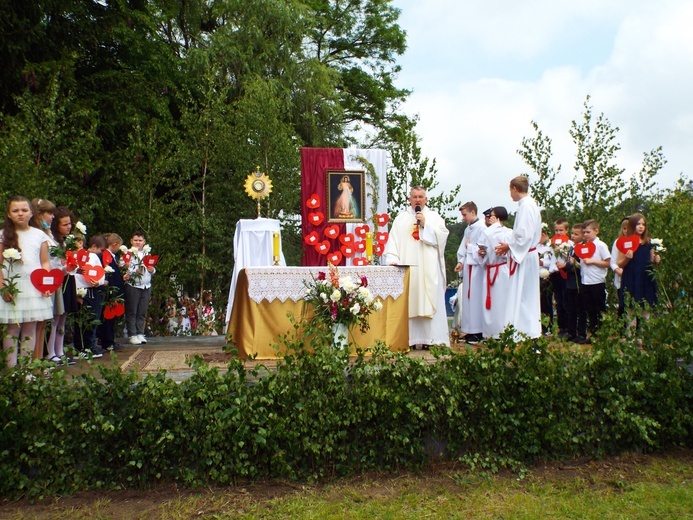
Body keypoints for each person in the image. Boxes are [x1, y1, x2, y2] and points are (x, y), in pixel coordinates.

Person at [383, 186, 450, 348]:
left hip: (429, 269)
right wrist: (392, 258)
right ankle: (411, 340)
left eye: (421, 196)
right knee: (410, 300)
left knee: (430, 298)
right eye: (414, 197)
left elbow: (442, 237)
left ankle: (432, 340)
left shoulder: (434, 217)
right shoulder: (401, 219)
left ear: (426, 199)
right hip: (409, 269)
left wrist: (426, 226)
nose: (418, 199)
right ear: (409, 199)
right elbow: (393, 242)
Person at [0, 196, 53, 368]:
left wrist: (46, 285)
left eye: (24, 210)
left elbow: (45, 262)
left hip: (33, 287)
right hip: (12, 288)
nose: (20, 214)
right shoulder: (3, 235)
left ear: (31, 213)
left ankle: (27, 370)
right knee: (12, 329)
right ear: (8, 214)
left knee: (30, 329)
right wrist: (2, 287)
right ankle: (11, 370)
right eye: (15, 211)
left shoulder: (39, 235)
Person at [495, 176, 542, 339]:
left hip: (525, 255)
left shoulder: (527, 206)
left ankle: (526, 333)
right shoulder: (528, 205)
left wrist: (509, 246)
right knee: (523, 296)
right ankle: (524, 331)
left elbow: (524, 235)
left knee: (523, 295)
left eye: (510, 190)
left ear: (515, 188)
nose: (510, 194)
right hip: (525, 254)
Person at [46, 207, 78, 365]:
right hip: (58, 279)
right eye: (64, 224)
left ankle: (60, 350)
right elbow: (51, 264)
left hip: (67, 279)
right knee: (55, 317)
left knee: (63, 317)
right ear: (56, 225)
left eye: (69, 223)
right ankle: (51, 353)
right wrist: (65, 267)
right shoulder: (51, 241)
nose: (68, 227)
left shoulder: (66, 241)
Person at [477, 206, 512, 339]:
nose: (489, 218)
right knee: (491, 304)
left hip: (502, 270)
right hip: (491, 269)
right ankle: (490, 332)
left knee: (502, 302)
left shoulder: (508, 232)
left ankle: (502, 331)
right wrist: (482, 253)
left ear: (497, 217)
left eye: (491, 215)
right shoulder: (488, 231)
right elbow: (483, 247)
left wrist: (494, 227)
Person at [617, 213, 660, 316]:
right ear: (632, 225)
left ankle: (644, 332)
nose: (641, 227)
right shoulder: (626, 242)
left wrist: (656, 260)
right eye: (638, 224)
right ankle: (630, 332)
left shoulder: (649, 242)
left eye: (643, 224)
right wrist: (627, 258)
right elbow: (620, 263)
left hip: (646, 278)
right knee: (631, 312)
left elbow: (651, 261)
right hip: (631, 278)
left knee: (646, 311)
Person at [454, 201, 485, 344]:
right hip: (468, 267)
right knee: (467, 299)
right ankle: (469, 330)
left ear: (473, 212)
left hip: (477, 269)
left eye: (465, 214)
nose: (463, 217)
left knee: (476, 299)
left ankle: (478, 331)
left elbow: (482, 249)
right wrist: (461, 262)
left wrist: (470, 247)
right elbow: (463, 248)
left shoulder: (482, 227)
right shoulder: (468, 229)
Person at [30, 198, 57, 359]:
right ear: (39, 214)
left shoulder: (47, 233)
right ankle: (32, 363)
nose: (52, 217)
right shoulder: (35, 234)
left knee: (42, 324)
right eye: (49, 213)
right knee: (34, 325)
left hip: (48, 281)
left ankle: (38, 362)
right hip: (37, 281)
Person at [74, 234, 108, 358]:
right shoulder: (71, 256)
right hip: (79, 290)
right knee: (81, 320)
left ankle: (90, 345)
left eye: (80, 242)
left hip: (92, 290)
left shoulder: (92, 256)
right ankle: (80, 347)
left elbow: (100, 271)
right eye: (76, 242)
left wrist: (98, 282)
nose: (79, 244)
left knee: (93, 318)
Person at [579, 220, 611, 339]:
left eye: (588, 232)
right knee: (589, 309)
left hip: (597, 281)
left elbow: (608, 263)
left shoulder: (601, 245)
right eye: (584, 232)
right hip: (585, 281)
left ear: (596, 231)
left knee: (600, 309)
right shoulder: (583, 246)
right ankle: (593, 334)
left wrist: (592, 261)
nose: (586, 235)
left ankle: (603, 334)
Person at [124, 230, 156, 345]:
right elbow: (123, 268)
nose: (138, 242)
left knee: (142, 311)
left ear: (144, 242)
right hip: (133, 285)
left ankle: (140, 333)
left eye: (140, 240)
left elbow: (152, 268)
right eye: (136, 240)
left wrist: (152, 270)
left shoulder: (147, 254)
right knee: (132, 310)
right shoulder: (127, 254)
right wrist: (133, 271)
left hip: (146, 285)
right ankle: (132, 334)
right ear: (131, 241)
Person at [560, 224, 587, 343]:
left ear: (583, 235)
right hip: (570, 282)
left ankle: (581, 333)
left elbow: (579, 265)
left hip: (578, 283)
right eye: (572, 233)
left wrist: (567, 265)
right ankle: (571, 332)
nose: (573, 236)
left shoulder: (583, 248)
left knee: (580, 309)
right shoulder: (571, 247)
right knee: (570, 308)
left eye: (576, 234)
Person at [98, 233, 126, 351]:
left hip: (114, 291)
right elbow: (108, 274)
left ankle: (109, 340)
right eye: (119, 246)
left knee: (111, 317)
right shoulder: (106, 256)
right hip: (110, 292)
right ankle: (107, 341)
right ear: (114, 244)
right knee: (108, 317)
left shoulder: (110, 256)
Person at [550, 218, 571, 337]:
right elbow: (550, 259)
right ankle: (561, 327)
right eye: (556, 230)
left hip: (565, 273)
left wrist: (561, 251)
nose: (558, 233)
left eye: (561, 230)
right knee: (558, 301)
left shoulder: (569, 243)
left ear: (566, 230)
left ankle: (568, 327)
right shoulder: (551, 243)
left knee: (565, 301)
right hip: (555, 274)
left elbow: (570, 258)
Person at [610, 217, 630, 317]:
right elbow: (613, 262)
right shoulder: (618, 242)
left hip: (634, 278)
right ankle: (622, 331)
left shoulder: (640, 242)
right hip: (621, 279)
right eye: (624, 228)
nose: (626, 231)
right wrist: (618, 271)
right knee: (623, 306)